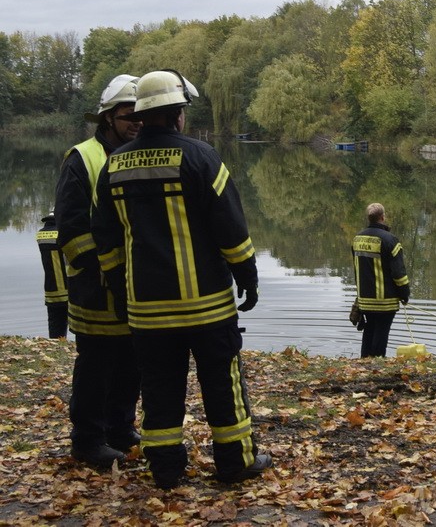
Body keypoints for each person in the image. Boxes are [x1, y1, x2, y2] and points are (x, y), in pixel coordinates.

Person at [91, 69, 270, 489]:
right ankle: (234, 462)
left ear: (143, 112)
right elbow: (231, 228)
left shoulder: (114, 165)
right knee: (222, 387)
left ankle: (166, 469)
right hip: (206, 304)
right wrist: (248, 276)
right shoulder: (201, 157)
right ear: (177, 113)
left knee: (159, 391)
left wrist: (121, 288)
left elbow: (106, 239)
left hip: (148, 310)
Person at [54, 74, 142, 470]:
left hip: (136, 284)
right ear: (107, 118)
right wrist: (102, 270)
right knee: (96, 365)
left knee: (131, 363)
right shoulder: (83, 158)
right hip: (96, 286)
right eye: (127, 116)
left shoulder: (138, 154)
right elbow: (71, 228)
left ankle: (121, 430)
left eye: (141, 115)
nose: (136, 122)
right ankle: (87, 440)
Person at [352, 203, 410, 358]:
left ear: (369, 218)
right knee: (381, 331)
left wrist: (359, 296)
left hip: (365, 299)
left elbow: (357, 270)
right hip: (385, 300)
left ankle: (364, 361)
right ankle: (378, 362)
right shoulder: (390, 240)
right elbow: (399, 274)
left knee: (369, 329)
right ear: (383, 217)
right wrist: (405, 294)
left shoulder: (357, 239)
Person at [36, 210, 68, 338]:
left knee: (55, 322)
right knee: (77, 322)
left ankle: (57, 344)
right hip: (67, 288)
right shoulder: (63, 232)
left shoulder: (40, 234)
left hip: (51, 289)